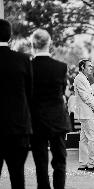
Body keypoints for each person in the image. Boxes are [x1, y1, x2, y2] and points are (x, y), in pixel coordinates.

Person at [30, 29, 71, 189]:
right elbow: (62, 92)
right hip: (57, 119)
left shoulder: (29, 66)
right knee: (60, 161)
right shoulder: (61, 67)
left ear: (33, 44)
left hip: (36, 120)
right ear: (49, 43)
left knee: (40, 162)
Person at [0, 19, 33, 189]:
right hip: (18, 128)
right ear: (10, 36)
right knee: (17, 175)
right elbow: (29, 93)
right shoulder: (23, 60)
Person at [73, 59, 94, 171]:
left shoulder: (83, 78)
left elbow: (88, 96)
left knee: (84, 139)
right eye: (89, 66)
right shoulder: (80, 78)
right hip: (86, 112)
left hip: (86, 111)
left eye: (92, 66)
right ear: (82, 67)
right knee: (92, 137)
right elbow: (85, 96)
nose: (91, 68)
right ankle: (93, 163)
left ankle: (84, 163)